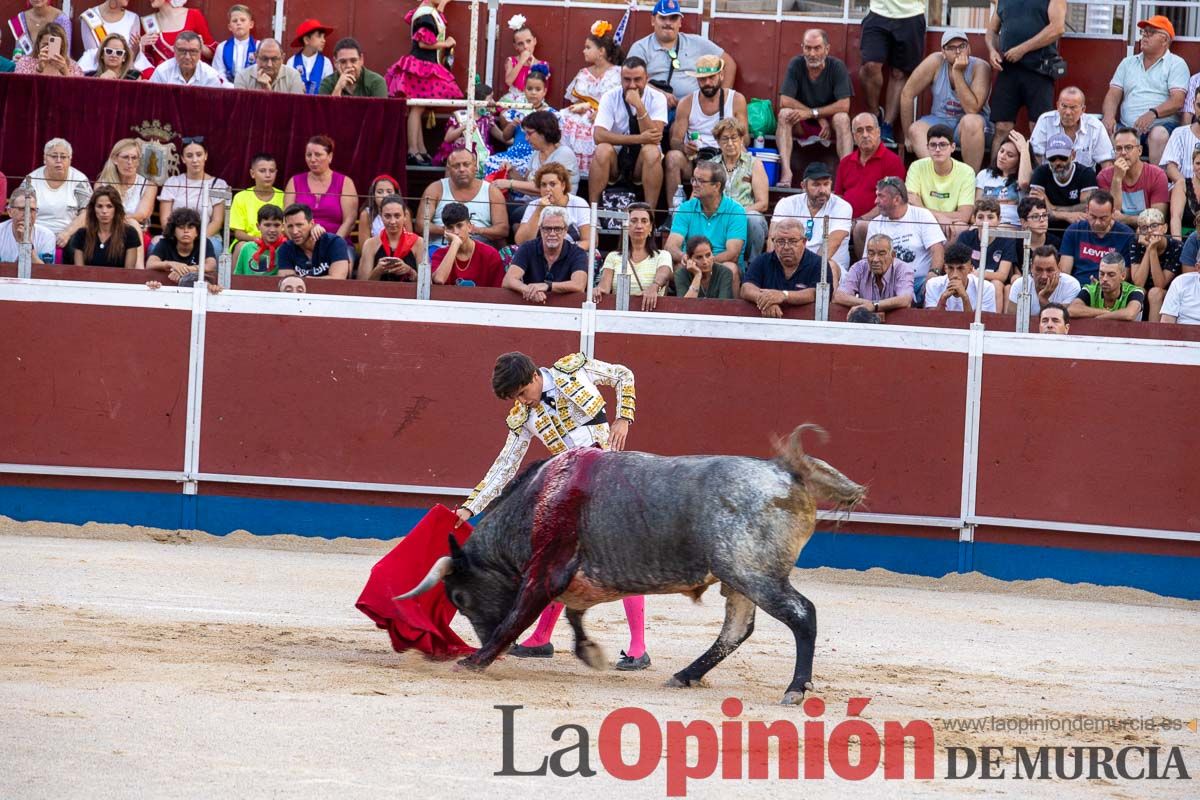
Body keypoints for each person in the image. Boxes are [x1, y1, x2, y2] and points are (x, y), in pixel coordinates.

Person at [458, 350, 647, 670]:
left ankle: (638, 647)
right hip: (574, 490)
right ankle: (541, 637)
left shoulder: (575, 371)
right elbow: (504, 466)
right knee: (556, 560)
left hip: (611, 479)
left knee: (622, 558)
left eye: (522, 393)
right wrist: (468, 508)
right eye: (515, 398)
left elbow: (623, 374)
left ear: (533, 376)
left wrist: (623, 417)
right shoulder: (523, 417)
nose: (522, 402)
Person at [900, 28, 992, 171]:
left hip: (971, 127)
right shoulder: (935, 61)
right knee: (916, 129)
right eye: (951, 48)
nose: (957, 52)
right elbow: (907, 94)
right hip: (941, 120)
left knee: (971, 121)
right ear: (943, 52)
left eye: (962, 46)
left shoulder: (980, 67)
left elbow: (972, 109)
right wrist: (907, 136)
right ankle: (939, 178)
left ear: (969, 48)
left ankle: (969, 181)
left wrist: (957, 72)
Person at [985, 0, 1066, 161]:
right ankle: (994, 176)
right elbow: (992, 31)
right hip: (1008, 68)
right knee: (1001, 127)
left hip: (1040, 70)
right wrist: (992, 51)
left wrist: (1022, 49)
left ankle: (1036, 181)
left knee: (1039, 129)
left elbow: (1057, 28)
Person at [1102, 15, 1188, 164]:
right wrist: (1108, 116)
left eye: (1151, 32)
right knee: (1105, 129)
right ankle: (1115, 182)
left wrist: (1153, 113)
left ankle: (1158, 183)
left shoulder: (1176, 64)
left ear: (1165, 40)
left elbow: (1178, 100)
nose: (1145, 36)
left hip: (1160, 126)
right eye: (1144, 32)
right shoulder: (1127, 63)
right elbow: (1113, 94)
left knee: (1158, 134)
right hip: (1127, 126)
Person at [664, 55, 747, 206]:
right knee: (672, 158)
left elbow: (744, 139)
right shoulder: (686, 103)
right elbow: (675, 140)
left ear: (721, 75)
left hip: (724, 157)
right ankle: (674, 213)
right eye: (702, 79)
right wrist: (685, 147)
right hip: (694, 158)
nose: (707, 83)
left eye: (711, 77)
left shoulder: (736, 99)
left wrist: (727, 142)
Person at [384, 0, 460, 165]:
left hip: (422, 64)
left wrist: (443, 5)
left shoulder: (427, 11)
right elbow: (423, 42)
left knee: (418, 108)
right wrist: (446, 44)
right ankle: (413, 150)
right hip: (421, 65)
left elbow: (436, 22)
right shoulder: (426, 14)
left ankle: (420, 149)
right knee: (416, 109)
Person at [775, 28, 854, 183]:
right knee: (784, 114)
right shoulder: (796, 64)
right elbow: (785, 100)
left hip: (829, 127)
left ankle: (846, 176)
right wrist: (816, 117)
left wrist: (815, 114)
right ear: (802, 48)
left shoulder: (836, 67)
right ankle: (786, 173)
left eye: (817, 48)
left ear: (827, 49)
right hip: (802, 123)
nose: (812, 54)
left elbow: (844, 105)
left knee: (842, 118)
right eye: (808, 48)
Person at [588, 57, 668, 208]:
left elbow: (655, 137)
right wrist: (639, 138)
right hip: (615, 161)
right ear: (621, 79)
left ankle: (649, 215)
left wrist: (639, 106)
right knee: (602, 149)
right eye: (627, 80)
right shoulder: (610, 96)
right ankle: (593, 215)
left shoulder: (657, 98)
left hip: (642, 162)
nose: (632, 85)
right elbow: (598, 136)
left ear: (647, 79)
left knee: (652, 151)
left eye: (637, 79)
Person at [627, 0, 735, 108]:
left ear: (680, 22)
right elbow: (630, 80)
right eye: (663, 18)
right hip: (654, 108)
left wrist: (721, 99)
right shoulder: (640, 48)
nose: (668, 23)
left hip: (695, 110)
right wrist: (658, 94)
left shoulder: (696, 42)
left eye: (673, 18)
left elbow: (729, 64)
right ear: (653, 20)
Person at [665, 160, 747, 295]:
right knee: (680, 266)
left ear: (716, 186)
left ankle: (731, 314)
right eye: (693, 179)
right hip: (692, 264)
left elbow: (732, 254)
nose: (694, 185)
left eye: (700, 181)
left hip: (720, 264)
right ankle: (682, 313)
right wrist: (685, 257)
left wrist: (705, 263)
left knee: (730, 268)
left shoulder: (736, 210)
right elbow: (671, 246)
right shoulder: (685, 208)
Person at [560, 22, 624, 178]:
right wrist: (579, 107)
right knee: (561, 120)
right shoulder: (583, 73)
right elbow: (575, 101)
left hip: (606, 119)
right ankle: (568, 172)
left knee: (596, 130)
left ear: (601, 51)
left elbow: (622, 103)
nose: (584, 51)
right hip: (582, 116)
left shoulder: (618, 73)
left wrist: (601, 114)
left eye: (588, 47)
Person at [858, 0, 926, 146]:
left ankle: (887, 126)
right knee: (870, 66)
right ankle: (875, 115)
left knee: (899, 73)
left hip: (912, 14)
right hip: (878, 12)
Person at [865, 176, 945, 297]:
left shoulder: (922, 215)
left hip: (919, 281)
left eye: (881, 196)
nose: (876, 201)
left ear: (896, 199)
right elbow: (867, 259)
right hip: (888, 283)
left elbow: (937, 249)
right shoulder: (875, 224)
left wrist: (933, 273)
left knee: (934, 286)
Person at [841, 112, 907, 252]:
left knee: (861, 227)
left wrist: (860, 219)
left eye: (869, 129)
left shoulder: (892, 161)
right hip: (847, 224)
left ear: (878, 132)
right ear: (854, 136)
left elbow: (891, 201)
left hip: (881, 222)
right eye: (859, 131)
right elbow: (839, 198)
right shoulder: (845, 163)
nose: (865, 135)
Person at [707, 116, 769, 262]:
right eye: (725, 139)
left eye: (734, 138)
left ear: (741, 139)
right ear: (718, 142)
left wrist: (736, 213)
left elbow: (763, 203)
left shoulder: (754, 164)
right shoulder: (711, 166)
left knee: (753, 218)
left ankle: (753, 264)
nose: (730, 143)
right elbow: (696, 199)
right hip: (716, 216)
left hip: (744, 215)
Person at [419, 148, 509, 247]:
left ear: (475, 166)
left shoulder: (492, 192)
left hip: (478, 250)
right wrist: (449, 230)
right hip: (440, 249)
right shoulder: (435, 189)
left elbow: (503, 229)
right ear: (449, 169)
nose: (462, 169)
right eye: (456, 166)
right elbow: (420, 224)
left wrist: (477, 230)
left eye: (466, 164)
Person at [772, 162, 852, 274]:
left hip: (829, 267)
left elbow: (831, 245)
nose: (822, 190)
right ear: (803, 186)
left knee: (828, 266)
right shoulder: (787, 203)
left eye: (826, 184)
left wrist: (805, 272)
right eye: (816, 185)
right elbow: (774, 239)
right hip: (791, 266)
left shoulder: (842, 207)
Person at [741, 217, 826, 318]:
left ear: (804, 242)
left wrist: (784, 295)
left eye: (792, 241)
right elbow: (746, 288)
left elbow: (816, 293)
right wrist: (766, 301)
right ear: (773, 241)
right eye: (780, 241)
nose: (786, 247)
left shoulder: (818, 263)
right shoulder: (762, 260)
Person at [284, 135, 359, 247]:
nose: (312, 159)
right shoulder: (294, 182)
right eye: (309, 155)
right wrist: (301, 245)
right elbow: (286, 219)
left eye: (318, 155)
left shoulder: (345, 182)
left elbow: (350, 221)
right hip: (301, 245)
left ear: (330, 156)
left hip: (337, 244)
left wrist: (332, 245)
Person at [595, 202, 674, 309]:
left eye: (644, 221)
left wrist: (654, 287)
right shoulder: (613, 256)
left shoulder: (663, 255)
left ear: (651, 228)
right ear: (625, 226)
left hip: (651, 313)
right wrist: (598, 289)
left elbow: (664, 274)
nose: (639, 226)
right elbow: (604, 285)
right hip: (619, 314)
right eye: (633, 221)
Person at [159, 137, 228, 256]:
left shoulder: (218, 184)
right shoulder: (173, 182)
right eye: (189, 156)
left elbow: (217, 221)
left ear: (205, 156)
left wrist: (197, 238)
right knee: (155, 247)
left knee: (215, 249)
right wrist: (179, 237)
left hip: (207, 237)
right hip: (176, 238)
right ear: (183, 159)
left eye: (199, 154)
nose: (195, 160)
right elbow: (165, 219)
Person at [503, 207, 590, 302]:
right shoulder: (527, 248)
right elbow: (508, 280)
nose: (552, 233)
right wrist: (529, 290)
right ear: (540, 229)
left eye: (557, 229)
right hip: (532, 304)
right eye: (547, 229)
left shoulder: (577, 253)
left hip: (566, 307)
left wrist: (547, 285)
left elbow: (579, 285)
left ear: (565, 230)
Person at [22, 137, 92, 250]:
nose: (59, 160)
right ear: (45, 158)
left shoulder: (79, 180)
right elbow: (22, 210)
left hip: (70, 236)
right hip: (36, 235)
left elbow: (88, 212)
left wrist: (67, 233)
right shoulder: (31, 179)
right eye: (54, 156)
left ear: (70, 159)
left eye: (64, 157)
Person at [486, 67, 555, 181]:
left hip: (536, 155)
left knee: (523, 170)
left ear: (544, 91)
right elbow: (505, 137)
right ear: (524, 90)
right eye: (529, 89)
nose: (533, 92)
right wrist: (512, 124)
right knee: (491, 162)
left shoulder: (549, 114)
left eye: (538, 89)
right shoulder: (517, 111)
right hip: (515, 153)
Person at [905, 124, 975, 236]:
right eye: (933, 145)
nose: (937, 149)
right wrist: (939, 217)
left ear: (952, 147)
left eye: (943, 145)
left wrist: (922, 208)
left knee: (960, 228)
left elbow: (964, 216)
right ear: (927, 147)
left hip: (949, 225)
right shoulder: (916, 166)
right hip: (921, 222)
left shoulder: (966, 171)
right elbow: (911, 206)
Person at [496, 111, 580, 201]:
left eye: (529, 133)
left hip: (554, 207)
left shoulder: (564, 153)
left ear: (544, 132)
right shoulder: (536, 153)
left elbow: (546, 188)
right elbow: (526, 183)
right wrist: (511, 171)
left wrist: (509, 183)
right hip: (531, 204)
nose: (526, 138)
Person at [1059, 191, 1136, 286]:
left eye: (1103, 218)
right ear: (1087, 211)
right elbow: (1064, 271)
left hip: (1110, 289)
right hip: (1077, 288)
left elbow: (1125, 275)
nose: (1097, 223)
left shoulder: (1126, 235)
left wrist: (1102, 286)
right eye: (1093, 217)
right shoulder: (1074, 230)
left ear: (1113, 213)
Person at [1097, 128, 1169, 225]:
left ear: (1139, 150)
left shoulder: (1157, 175)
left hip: (1147, 233)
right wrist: (1117, 179)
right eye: (1118, 148)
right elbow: (1109, 217)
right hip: (1117, 234)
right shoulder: (1104, 176)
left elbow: (1157, 219)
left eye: (1128, 147)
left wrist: (1124, 219)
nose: (1123, 152)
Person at [1029, 87, 1114, 170]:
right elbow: (1036, 157)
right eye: (1064, 106)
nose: (1068, 112)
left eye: (1073, 107)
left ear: (1083, 109)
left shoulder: (1095, 126)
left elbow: (1107, 163)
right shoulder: (1045, 121)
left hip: (1084, 181)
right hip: (1050, 178)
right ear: (1058, 105)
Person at [833, 233, 914, 314]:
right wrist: (870, 305)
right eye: (871, 253)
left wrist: (874, 305)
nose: (875, 259)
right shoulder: (859, 267)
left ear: (893, 255)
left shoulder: (903, 269)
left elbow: (905, 300)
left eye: (881, 254)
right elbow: (839, 296)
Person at [513, 163, 592, 247]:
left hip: (572, 253)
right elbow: (521, 242)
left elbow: (589, 241)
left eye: (552, 184)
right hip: (539, 254)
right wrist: (539, 210)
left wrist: (565, 253)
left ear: (563, 185)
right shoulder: (534, 205)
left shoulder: (579, 203)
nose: (547, 189)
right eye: (543, 185)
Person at [1028, 133, 1097, 229]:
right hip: (1047, 229)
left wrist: (1052, 208)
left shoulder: (1086, 174)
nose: (1057, 162)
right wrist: (1066, 215)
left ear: (1073, 155)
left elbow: (1088, 209)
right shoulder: (1040, 172)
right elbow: (1034, 211)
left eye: (1063, 157)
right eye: (1052, 159)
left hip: (1077, 229)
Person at [65, 185, 142, 269]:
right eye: (99, 206)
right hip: (88, 281)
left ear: (116, 209)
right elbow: (80, 271)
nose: (104, 211)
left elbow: (128, 272)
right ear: (93, 209)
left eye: (109, 206)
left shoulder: (130, 233)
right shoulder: (81, 234)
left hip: (118, 281)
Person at [429, 203, 504, 288]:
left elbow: (498, 291)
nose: (456, 232)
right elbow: (439, 280)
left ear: (469, 227)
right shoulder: (440, 254)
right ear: (445, 231)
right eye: (450, 227)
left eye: (459, 225)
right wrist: (455, 244)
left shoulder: (490, 254)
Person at [94, 138, 156, 236]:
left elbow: (141, 215)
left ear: (139, 161)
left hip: (136, 233)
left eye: (134, 158)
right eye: (125, 157)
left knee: (133, 224)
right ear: (115, 159)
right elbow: (99, 213)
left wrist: (114, 220)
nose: (130, 162)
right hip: (107, 232)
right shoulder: (101, 185)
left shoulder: (149, 186)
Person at [360, 195, 427, 282]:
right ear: (381, 216)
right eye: (387, 216)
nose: (392, 221)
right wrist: (377, 271)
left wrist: (409, 271)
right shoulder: (370, 244)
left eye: (397, 216)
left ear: (405, 216)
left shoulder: (418, 243)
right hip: (380, 294)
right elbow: (362, 284)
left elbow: (426, 284)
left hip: (408, 294)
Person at [1129, 208, 1179, 322]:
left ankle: (1153, 336)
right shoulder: (1135, 243)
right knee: (1139, 291)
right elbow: (1138, 282)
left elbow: (1160, 284)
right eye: (1144, 228)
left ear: (1165, 228)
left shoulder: (1176, 247)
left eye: (1154, 226)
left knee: (1155, 293)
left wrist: (1152, 250)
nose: (1149, 231)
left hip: (1167, 293)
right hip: (1144, 288)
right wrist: (1149, 248)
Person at [433, 83, 502, 166]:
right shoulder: (460, 116)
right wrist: (463, 127)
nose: (493, 102)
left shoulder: (488, 118)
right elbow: (447, 138)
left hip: (481, 152)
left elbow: (501, 136)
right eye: (490, 98)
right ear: (479, 100)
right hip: (461, 151)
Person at [276, 203, 351, 279]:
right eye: (290, 226)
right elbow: (287, 281)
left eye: (299, 225)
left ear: (311, 224)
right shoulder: (286, 248)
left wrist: (306, 280)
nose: (294, 231)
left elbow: (338, 279)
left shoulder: (335, 243)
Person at [975, 130, 1031, 227]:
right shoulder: (984, 175)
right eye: (1001, 151)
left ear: (1020, 160)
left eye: (1010, 155)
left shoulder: (1023, 177)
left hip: (1012, 225)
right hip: (985, 224)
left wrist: (1024, 150)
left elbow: (1025, 182)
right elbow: (977, 206)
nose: (1002, 156)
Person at [1068, 251, 1145, 321]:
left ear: (1123, 276)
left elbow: (1129, 314)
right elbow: (1071, 310)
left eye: (1111, 275)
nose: (1104, 279)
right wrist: (1106, 312)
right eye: (1101, 274)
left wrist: (1099, 318)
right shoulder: (1090, 290)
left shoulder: (1135, 291)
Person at [146, 207, 217, 282]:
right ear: (173, 231)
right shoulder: (165, 243)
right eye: (181, 227)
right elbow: (150, 264)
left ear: (197, 232)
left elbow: (211, 266)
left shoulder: (204, 243)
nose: (186, 231)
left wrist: (186, 270)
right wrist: (171, 264)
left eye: (190, 227)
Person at [140, 0, 215, 71]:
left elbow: (212, 54)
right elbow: (145, 60)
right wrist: (140, 45)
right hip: (162, 79)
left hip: (190, 78)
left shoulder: (193, 15)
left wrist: (201, 46)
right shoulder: (149, 22)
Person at [1006, 245, 1080, 315]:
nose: (1044, 276)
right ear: (1031, 268)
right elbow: (1010, 321)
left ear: (1059, 268)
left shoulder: (1071, 286)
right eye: (1039, 270)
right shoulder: (1020, 284)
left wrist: (1044, 300)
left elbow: (1061, 320)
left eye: (1050, 270)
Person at [924, 242, 996, 314]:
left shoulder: (985, 288)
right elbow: (933, 321)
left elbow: (984, 322)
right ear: (945, 268)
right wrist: (943, 299)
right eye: (950, 268)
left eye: (960, 268)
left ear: (970, 269)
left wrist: (965, 298)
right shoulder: (933, 285)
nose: (955, 274)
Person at [229, 153, 283, 249]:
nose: (268, 175)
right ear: (252, 173)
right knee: (242, 246)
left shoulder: (284, 197)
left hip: (278, 242)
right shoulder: (241, 197)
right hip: (249, 242)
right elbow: (238, 233)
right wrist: (256, 240)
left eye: (272, 171)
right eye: (262, 171)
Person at [79, 0, 148, 75]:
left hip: (126, 73)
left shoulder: (133, 18)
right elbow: (92, 54)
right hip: (97, 72)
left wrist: (136, 47)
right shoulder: (90, 16)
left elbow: (131, 58)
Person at [498, 15, 550, 106]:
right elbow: (508, 81)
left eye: (528, 41)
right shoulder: (511, 61)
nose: (525, 46)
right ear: (516, 46)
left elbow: (542, 86)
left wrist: (532, 65)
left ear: (535, 41)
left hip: (533, 100)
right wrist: (521, 62)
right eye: (520, 44)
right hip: (513, 100)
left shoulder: (543, 64)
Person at [147, 30, 228, 87]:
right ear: (174, 50)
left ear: (200, 52)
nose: (187, 57)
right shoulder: (162, 72)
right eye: (182, 51)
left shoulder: (210, 76)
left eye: (193, 51)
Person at [0, 188, 56, 263]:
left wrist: (27, 244)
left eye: (32, 210)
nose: (27, 214)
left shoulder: (47, 236)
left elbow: (46, 271)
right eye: (22, 209)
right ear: (10, 212)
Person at [673, 235, 734, 301]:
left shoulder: (724, 273)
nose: (705, 261)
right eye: (699, 257)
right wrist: (697, 275)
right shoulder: (681, 274)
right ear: (689, 259)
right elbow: (685, 305)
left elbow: (723, 305)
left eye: (708, 255)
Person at [319, 37, 386, 97]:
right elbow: (324, 110)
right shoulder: (327, 83)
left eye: (353, 60)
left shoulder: (376, 82)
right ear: (335, 62)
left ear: (361, 60)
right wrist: (338, 89)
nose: (349, 66)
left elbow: (379, 110)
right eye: (343, 62)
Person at [233, 38, 302, 93]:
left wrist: (268, 92)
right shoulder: (242, 77)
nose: (269, 64)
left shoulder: (293, 76)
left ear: (282, 58)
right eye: (264, 59)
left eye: (274, 59)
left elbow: (296, 109)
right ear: (255, 57)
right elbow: (241, 109)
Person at [233, 204, 285, 276]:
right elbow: (238, 277)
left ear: (283, 226)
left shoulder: (285, 249)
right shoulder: (247, 248)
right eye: (267, 225)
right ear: (258, 226)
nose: (272, 230)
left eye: (276, 225)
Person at [15, 22, 83, 77]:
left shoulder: (73, 66)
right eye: (45, 45)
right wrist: (39, 69)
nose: (48, 49)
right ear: (38, 44)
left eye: (53, 45)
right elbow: (21, 88)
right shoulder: (24, 63)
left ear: (62, 46)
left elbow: (78, 91)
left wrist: (65, 72)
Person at [288, 18, 333, 95]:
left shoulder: (326, 63)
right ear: (306, 40)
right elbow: (287, 86)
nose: (324, 40)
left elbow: (329, 89)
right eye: (319, 36)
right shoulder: (292, 62)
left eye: (324, 37)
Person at [212, 4, 256, 83]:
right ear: (230, 27)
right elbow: (218, 74)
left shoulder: (259, 46)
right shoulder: (222, 47)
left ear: (251, 24)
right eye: (235, 21)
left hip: (252, 89)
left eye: (243, 20)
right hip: (228, 89)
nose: (238, 23)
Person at [357, 174, 403, 244]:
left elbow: (410, 242)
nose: (384, 195)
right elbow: (364, 246)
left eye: (389, 192)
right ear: (373, 194)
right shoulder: (366, 214)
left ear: (396, 194)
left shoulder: (405, 212)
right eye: (380, 192)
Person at [1168, 138, 1200, 237]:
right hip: (1186, 241)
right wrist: (1178, 243)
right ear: (1192, 164)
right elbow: (1176, 217)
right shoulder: (1182, 185)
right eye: (1198, 163)